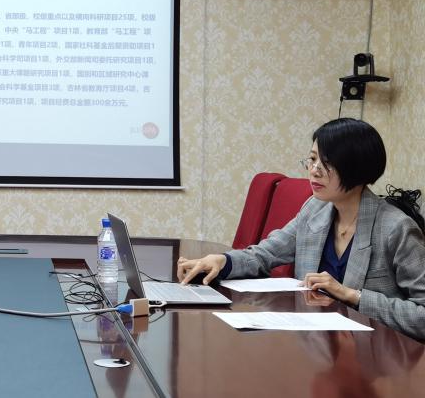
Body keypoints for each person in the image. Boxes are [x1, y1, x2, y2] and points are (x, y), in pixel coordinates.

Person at [177, 118, 425, 341]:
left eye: (327, 162)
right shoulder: (314, 209)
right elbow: (265, 254)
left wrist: (352, 295)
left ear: (357, 168)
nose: (314, 170)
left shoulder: (396, 228)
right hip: (319, 347)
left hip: (377, 359)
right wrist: (222, 261)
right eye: (313, 159)